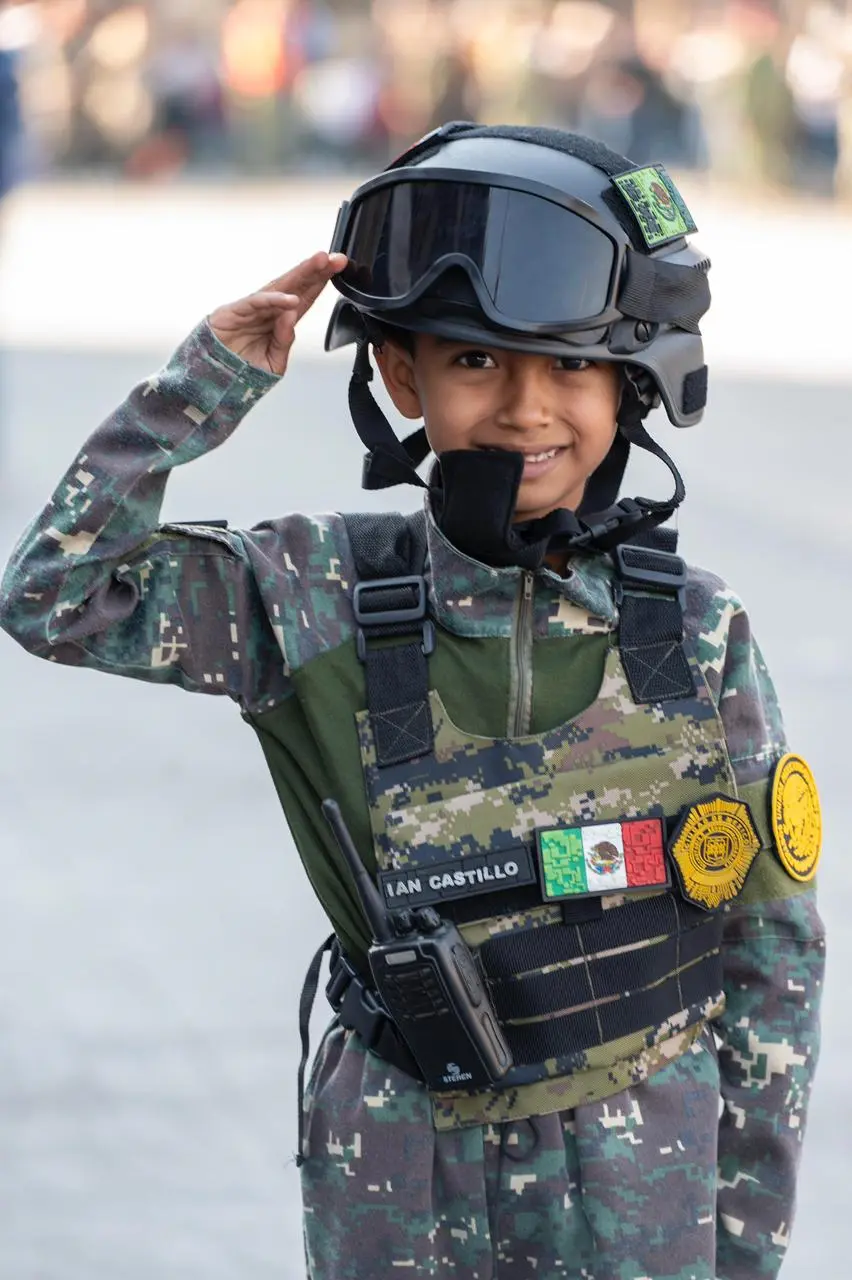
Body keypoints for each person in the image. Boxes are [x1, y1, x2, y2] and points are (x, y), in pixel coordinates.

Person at [0, 122, 825, 1280]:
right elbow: (55, 591)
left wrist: (745, 1244)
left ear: (632, 379)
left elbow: (773, 946)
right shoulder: (313, 595)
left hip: (649, 1181)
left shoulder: (694, 629)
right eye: (477, 361)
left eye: (572, 365)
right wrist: (208, 379)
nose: (529, 408)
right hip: (401, 1170)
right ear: (400, 373)